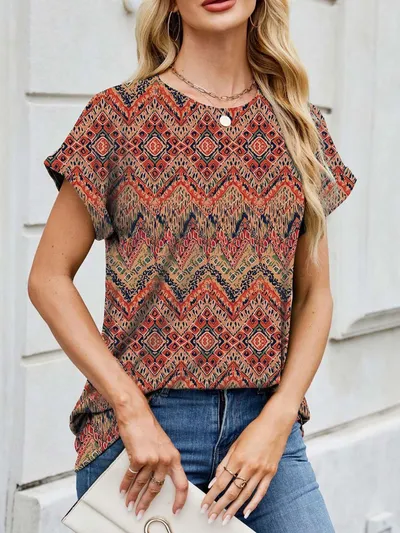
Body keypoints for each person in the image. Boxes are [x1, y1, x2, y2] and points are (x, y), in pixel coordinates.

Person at [28, 0, 357, 531]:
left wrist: (280, 417)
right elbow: (47, 278)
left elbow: (315, 295)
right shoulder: (118, 117)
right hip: (147, 438)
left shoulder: (300, 126)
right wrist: (130, 409)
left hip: (265, 432)